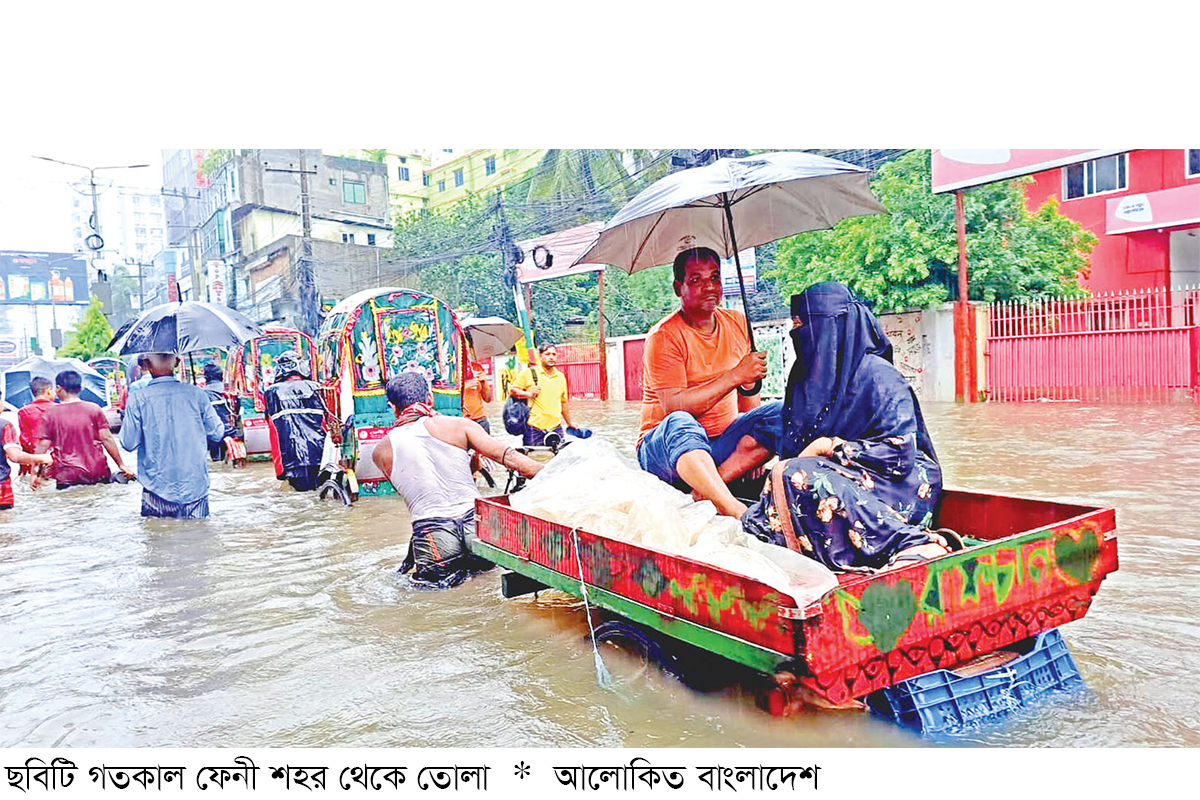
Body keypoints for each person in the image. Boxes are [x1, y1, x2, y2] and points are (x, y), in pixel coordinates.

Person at [740, 282, 962, 572]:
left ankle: (913, 542)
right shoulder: (803, 378)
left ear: (830, 327)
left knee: (795, 474)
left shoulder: (879, 375)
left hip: (895, 484)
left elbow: (899, 454)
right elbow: (794, 447)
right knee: (758, 517)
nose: (796, 332)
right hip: (839, 478)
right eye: (794, 324)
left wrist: (830, 447)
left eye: (802, 324)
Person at [636, 247, 783, 519]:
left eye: (715, 277)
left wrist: (755, 443)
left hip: (720, 446)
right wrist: (735, 375)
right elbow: (675, 406)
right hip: (667, 451)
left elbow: (748, 398)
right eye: (696, 280)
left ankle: (707, 489)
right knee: (680, 421)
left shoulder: (737, 322)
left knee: (783, 412)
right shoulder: (664, 337)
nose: (709, 287)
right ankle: (735, 509)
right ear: (678, 288)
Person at [372, 372, 543, 587]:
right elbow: (510, 458)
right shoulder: (460, 425)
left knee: (435, 596)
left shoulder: (381, 451)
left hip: (433, 537)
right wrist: (559, 473)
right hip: (477, 528)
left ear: (393, 408)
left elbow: (417, 488)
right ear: (430, 398)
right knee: (486, 585)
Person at [119, 352, 223, 519]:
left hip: (156, 488)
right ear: (177, 362)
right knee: (198, 533)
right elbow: (217, 433)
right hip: (195, 487)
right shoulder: (197, 394)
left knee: (160, 533)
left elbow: (128, 443)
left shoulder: (138, 398)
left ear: (146, 365)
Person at [34, 371, 135, 490]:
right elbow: (107, 439)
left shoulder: (50, 414)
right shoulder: (94, 409)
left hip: (67, 473)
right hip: (96, 470)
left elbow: (43, 446)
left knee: (67, 501)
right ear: (81, 388)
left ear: (58, 389)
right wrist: (121, 465)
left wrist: (35, 473)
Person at [263, 350, 326, 491]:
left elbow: (272, 426)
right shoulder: (316, 387)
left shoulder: (271, 392)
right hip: (319, 452)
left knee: (298, 494)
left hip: (290, 457)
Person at [508, 344, 578, 447]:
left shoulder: (560, 377)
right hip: (534, 428)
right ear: (540, 356)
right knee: (533, 456)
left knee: (558, 456)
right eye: (547, 354)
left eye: (554, 354)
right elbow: (512, 390)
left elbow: (563, 403)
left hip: (555, 428)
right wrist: (529, 394)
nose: (551, 357)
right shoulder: (529, 373)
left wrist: (570, 423)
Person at [2, 390, 53, 509]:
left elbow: (26, 441)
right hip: (2, 491)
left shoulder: (24, 411)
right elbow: (15, 456)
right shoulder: (4, 425)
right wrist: (42, 458)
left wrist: (26, 469)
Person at [16, 377, 56, 475]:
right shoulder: (60, 409)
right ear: (49, 390)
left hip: (34, 460)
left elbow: (25, 440)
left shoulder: (24, 411)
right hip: (57, 461)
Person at [202, 363, 237, 462]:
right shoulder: (231, 391)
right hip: (232, 432)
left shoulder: (205, 395)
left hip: (215, 436)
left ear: (206, 378)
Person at [461, 358, 493, 432]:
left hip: (480, 418)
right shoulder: (454, 369)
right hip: (462, 418)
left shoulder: (477, 368)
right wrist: (465, 386)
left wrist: (484, 382)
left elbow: (488, 399)